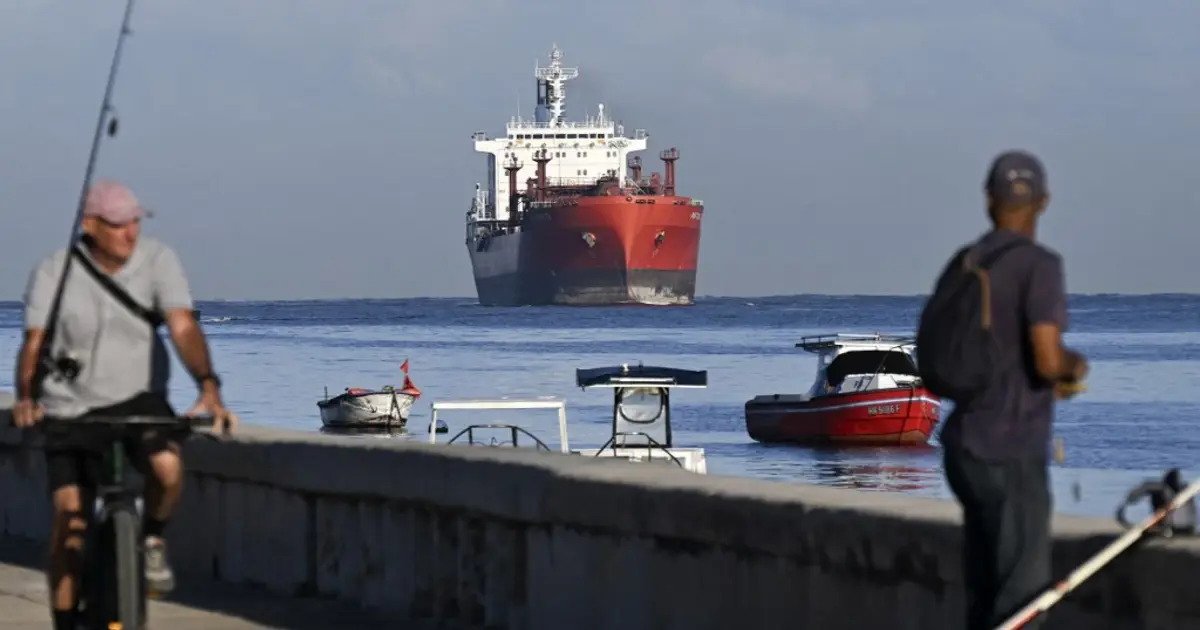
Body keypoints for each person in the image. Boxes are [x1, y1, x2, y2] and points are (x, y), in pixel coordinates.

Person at [10, 179, 238, 630]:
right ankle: (64, 618)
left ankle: (151, 539)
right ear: (91, 225)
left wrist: (208, 385)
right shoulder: (55, 272)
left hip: (138, 398)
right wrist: (25, 398)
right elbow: (33, 344)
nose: (131, 233)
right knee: (68, 517)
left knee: (167, 468)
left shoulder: (157, 261)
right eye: (119, 224)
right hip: (70, 408)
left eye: (136, 221)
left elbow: (182, 326)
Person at [934, 150, 1088, 629]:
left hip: (965, 449)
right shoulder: (1039, 265)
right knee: (1021, 602)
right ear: (1043, 202)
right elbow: (1045, 357)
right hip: (1011, 453)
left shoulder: (965, 263)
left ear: (988, 200)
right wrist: (1073, 365)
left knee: (986, 593)